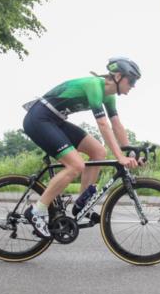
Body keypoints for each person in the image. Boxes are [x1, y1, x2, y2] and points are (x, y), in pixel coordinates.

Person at [21, 58, 141, 237]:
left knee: (98, 151)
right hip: (39, 119)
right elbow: (103, 124)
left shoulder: (109, 96)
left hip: (55, 120)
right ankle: (37, 211)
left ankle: (81, 203)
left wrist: (128, 151)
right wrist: (120, 157)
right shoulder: (94, 85)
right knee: (76, 165)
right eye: (131, 81)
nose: (133, 85)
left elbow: (116, 124)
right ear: (117, 76)